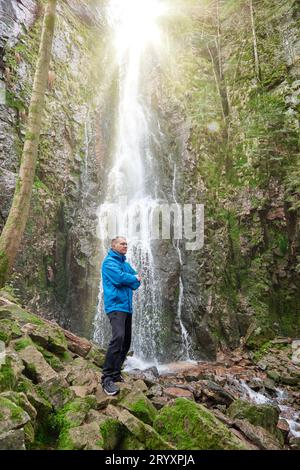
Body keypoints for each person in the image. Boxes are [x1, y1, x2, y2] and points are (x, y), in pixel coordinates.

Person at [101, 236, 141, 396]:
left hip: (126, 307)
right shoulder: (109, 262)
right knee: (118, 337)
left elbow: (136, 282)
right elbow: (119, 279)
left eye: (126, 243)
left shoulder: (124, 263)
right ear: (114, 245)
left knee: (126, 341)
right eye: (122, 243)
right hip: (116, 306)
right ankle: (106, 378)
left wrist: (132, 279)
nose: (126, 245)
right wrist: (132, 278)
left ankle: (116, 373)